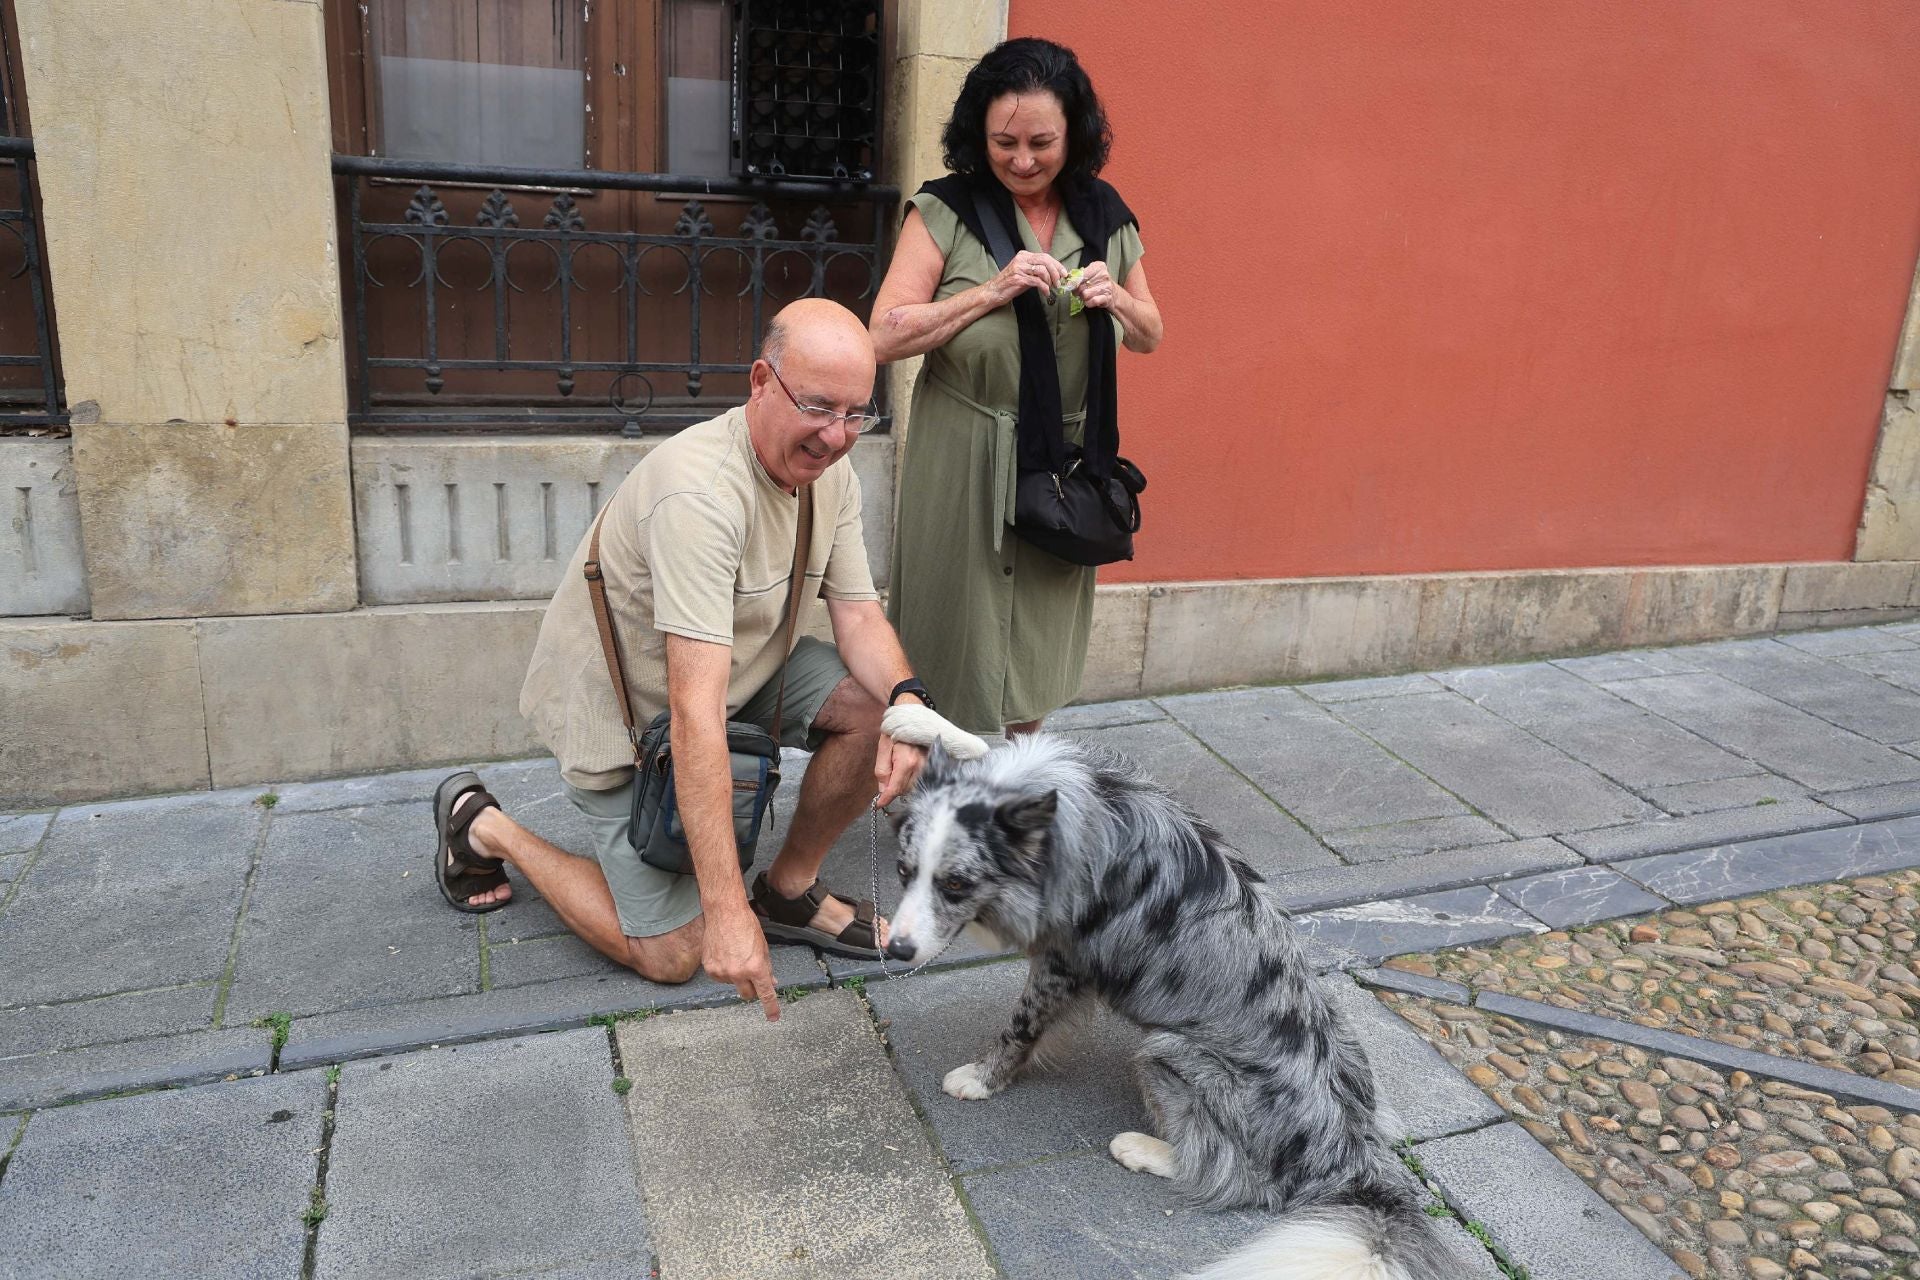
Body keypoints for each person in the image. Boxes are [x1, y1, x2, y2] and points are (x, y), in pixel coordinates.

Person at [430, 299, 959, 1021]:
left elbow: (860, 614)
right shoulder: (699, 496)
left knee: (878, 715)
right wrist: (723, 913)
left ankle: (787, 890)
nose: (837, 436)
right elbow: (692, 714)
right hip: (625, 713)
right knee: (677, 955)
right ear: (761, 381)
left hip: (742, 671)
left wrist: (908, 703)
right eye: (818, 407)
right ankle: (485, 826)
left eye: (856, 413)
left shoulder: (832, 472)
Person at [870, 37, 1163, 737]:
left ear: (1076, 135)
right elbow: (883, 333)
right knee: (950, 623)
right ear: (979, 133)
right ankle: (935, 770)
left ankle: (1018, 785)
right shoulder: (942, 211)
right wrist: (989, 292)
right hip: (962, 450)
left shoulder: (1105, 217)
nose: (1023, 159)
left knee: (1036, 624)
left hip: (1061, 461)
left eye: (1042, 141)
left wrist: (1116, 300)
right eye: (1005, 142)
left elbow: (1151, 332)